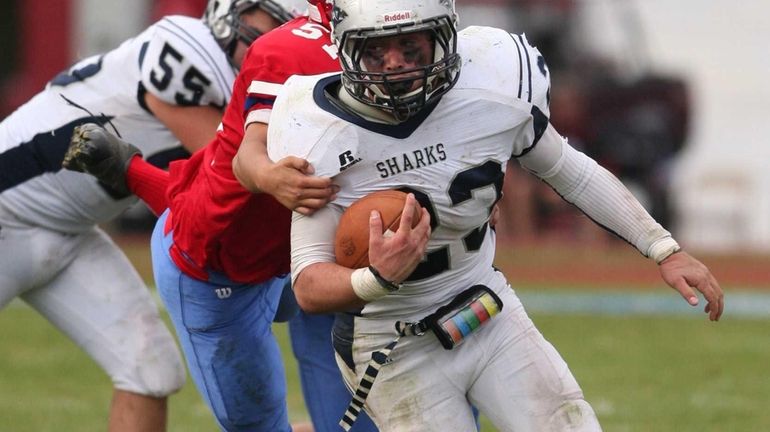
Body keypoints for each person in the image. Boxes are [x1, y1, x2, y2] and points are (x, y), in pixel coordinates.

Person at [265, 0, 725, 430]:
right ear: (346, 48)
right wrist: (377, 278)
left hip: (483, 303)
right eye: (376, 48)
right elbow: (308, 286)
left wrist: (664, 248)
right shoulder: (320, 130)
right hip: (392, 338)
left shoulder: (492, 83)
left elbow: (570, 171)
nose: (394, 63)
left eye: (410, 45)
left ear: (443, 37)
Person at [64, 1, 379, 431]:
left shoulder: (395, 50)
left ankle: (129, 171)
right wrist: (268, 176)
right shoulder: (284, 55)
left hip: (289, 252)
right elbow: (227, 189)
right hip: (223, 276)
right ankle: (131, 172)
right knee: (260, 423)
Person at [0, 1, 302, 431]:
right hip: (7, 209)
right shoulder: (185, 51)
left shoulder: (248, 84)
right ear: (230, 12)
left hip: (67, 232)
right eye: (272, 20)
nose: (281, 34)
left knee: (150, 370)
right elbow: (225, 193)